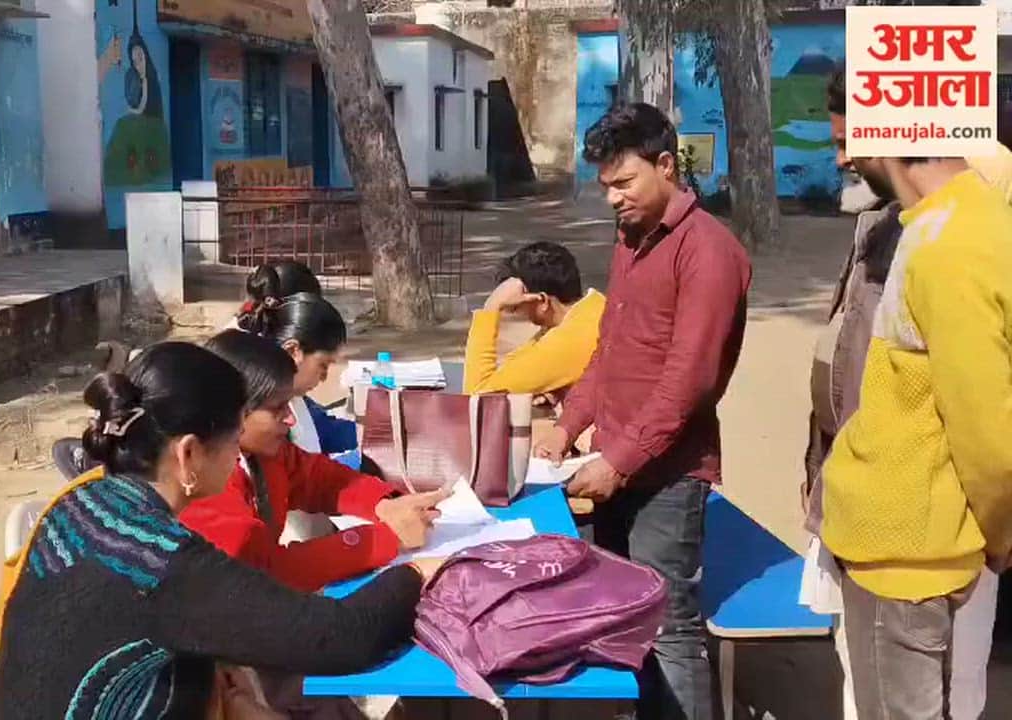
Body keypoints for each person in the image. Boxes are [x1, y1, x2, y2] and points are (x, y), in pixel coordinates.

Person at [0, 342, 440, 719]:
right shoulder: (164, 560)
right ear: (188, 455)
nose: (239, 449)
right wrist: (420, 575)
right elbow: (342, 638)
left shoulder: (80, 503)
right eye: (233, 436)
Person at [535, 102, 751, 720]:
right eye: (606, 186)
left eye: (624, 183)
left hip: (667, 474)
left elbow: (692, 380)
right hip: (614, 462)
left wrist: (622, 460)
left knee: (670, 626)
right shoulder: (631, 239)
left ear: (665, 165)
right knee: (623, 613)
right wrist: (570, 424)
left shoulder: (708, 251)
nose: (613, 199)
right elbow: (610, 347)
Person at [803, 70, 1006, 720]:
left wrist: (998, 534)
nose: (840, 158)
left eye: (846, 139)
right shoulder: (931, 226)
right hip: (900, 550)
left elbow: (989, 433)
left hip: (910, 564)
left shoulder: (951, 246)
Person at [179, 329, 447, 592]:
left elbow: (319, 478)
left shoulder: (263, 452)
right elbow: (263, 573)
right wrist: (386, 539)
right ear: (233, 412)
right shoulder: (205, 482)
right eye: (277, 409)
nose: (291, 419)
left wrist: (384, 504)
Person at [463, 241, 606, 398]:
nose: (516, 312)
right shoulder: (595, 307)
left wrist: (491, 307)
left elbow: (478, 395)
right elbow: (517, 365)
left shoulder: (570, 339)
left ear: (543, 301)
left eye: (516, 306)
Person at [238, 291, 358, 455]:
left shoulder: (297, 401)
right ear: (293, 351)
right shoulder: (262, 415)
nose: (324, 378)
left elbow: (326, 430)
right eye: (323, 365)